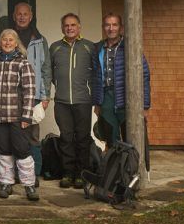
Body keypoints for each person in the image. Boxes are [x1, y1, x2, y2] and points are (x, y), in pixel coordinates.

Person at [50, 13, 100, 189]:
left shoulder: (89, 47)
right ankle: (67, 173)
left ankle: (81, 173)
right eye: (66, 25)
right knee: (66, 137)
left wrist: (94, 97)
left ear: (79, 27)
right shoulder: (55, 47)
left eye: (73, 25)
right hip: (62, 101)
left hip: (83, 100)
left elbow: (96, 73)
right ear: (62, 28)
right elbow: (50, 73)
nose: (69, 28)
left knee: (83, 138)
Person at [0, 29, 39, 201]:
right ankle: (6, 183)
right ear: (0, 42)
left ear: (16, 43)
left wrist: (27, 116)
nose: (7, 43)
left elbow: (29, 91)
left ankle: (29, 184)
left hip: (17, 116)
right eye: (4, 40)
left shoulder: (23, 63)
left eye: (11, 40)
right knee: (3, 150)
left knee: (22, 150)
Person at [93, 13, 151, 148]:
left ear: (121, 28)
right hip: (106, 98)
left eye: (115, 25)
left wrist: (145, 106)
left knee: (133, 140)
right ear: (103, 27)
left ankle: (133, 163)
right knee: (110, 139)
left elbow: (144, 75)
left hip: (127, 97)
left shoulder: (130, 46)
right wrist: (97, 103)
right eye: (107, 25)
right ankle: (114, 162)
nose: (111, 28)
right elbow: (95, 77)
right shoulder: (98, 48)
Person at [11, 2, 51, 183]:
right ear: (14, 16)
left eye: (25, 14)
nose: (22, 17)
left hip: (33, 96)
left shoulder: (40, 40)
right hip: (12, 96)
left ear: (31, 16)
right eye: (19, 14)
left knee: (33, 136)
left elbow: (46, 69)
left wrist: (45, 95)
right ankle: (15, 174)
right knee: (14, 135)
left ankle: (34, 174)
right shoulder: (8, 37)